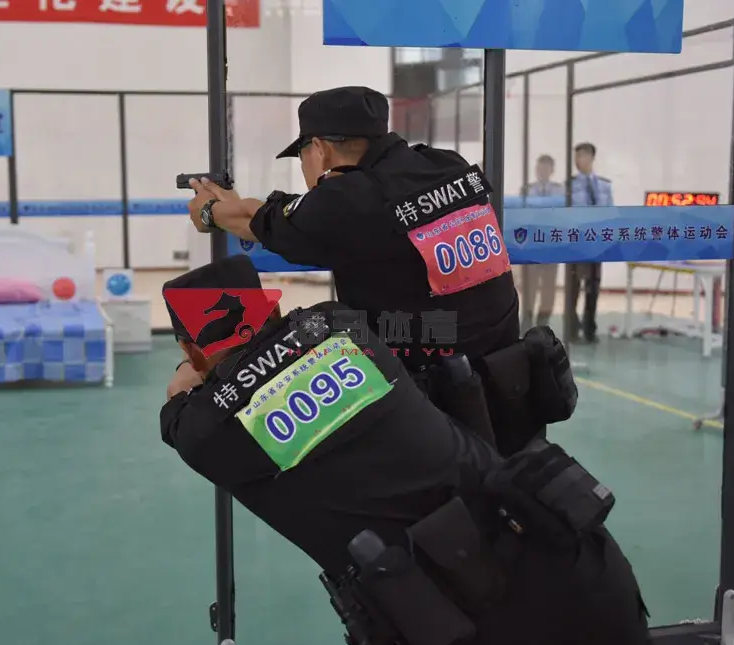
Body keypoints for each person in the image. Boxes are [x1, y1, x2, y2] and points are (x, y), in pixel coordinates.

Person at [160, 255, 656, 645]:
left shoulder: (205, 433)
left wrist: (189, 378)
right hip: (579, 570)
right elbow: (296, 336)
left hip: (469, 634)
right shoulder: (336, 322)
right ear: (272, 308)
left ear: (190, 348)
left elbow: (179, 407)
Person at [183, 86, 520, 430]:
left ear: (320, 149)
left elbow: (269, 219)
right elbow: (319, 212)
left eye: (302, 155)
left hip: (436, 407)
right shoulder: (446, 163)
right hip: (510, 382)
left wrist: (210, 210)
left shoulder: (348, 201)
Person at [569, 143, 613, 344]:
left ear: (591, 158)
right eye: (577, 157)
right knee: (574, 287)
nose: (579, 161)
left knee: (593, 287)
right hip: (577, 243)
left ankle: (589, 328)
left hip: (597, 243)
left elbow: (610, 213)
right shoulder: (570, 185)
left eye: (582, 156)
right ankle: (572, 327)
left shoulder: (604, 185)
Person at [520, 155, 565, 329]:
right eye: (539, 168)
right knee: (529, 284)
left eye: (545, 168)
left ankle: (543, 319)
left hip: (551, 244)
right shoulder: (526, 190)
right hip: (531, 244)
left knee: (549, 285)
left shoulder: (560, 191)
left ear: (552, 170)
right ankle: (527, 317)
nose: (542, 171)